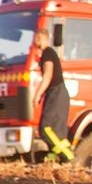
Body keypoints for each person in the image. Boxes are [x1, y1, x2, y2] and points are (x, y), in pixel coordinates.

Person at [31, 29, 74, 163]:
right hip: (56, 94)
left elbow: (48, 75)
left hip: (56, 93)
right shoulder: (48, 53)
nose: (34, 40)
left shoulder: (48, 53)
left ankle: (67, 156)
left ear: (41, 37)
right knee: (55, 130)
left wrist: (37, 95)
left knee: (46, 128)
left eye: (36, 37)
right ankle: (56, 157)